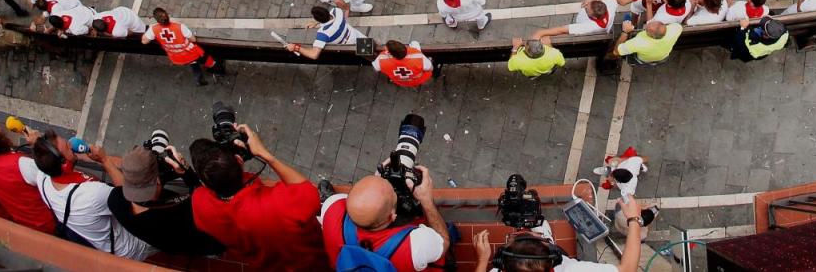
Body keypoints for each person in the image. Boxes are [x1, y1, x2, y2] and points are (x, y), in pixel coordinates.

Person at [190, 124, 326, 269]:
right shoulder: (279, 203)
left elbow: (201, 193)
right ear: (239, 160)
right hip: (312, 261)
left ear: (205, 184)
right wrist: (265, 154)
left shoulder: (200, 205)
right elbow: (310, 194)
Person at [30, 137, 152, 259]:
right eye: (68, 146)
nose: (71, 143)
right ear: (63, 162)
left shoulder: (43, 178)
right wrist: (104, 160)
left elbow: (41, 151)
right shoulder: (92, 194)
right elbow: (131, 196)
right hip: (131, 245)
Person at [471, 195, 649, 272]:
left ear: (502, 266)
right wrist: (634, 219)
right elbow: (627, 268)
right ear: (553, 259)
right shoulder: (571, 269)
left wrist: (482, 259)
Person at [321, 169, 452, 272]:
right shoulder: (416, 244)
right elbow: (444, 242)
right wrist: (426, 200)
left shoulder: (331, 207)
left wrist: (376, 184)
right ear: (392, 216)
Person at [109, 145, 226, 256]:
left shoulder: (115, 201)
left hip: (180, 246)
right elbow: (205, 200)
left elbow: (122, 189)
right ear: (157, 182)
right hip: (213, 238)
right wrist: (187, 172)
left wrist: (105, 160)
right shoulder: (176, 215)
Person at [142, 7, 226, 86]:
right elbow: (193, 39)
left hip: (176, 57)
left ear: (157, 20)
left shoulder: (154, 29)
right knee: (209, 61)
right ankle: (217, 70)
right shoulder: (179, 27)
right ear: (167, 14)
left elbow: (144, 41)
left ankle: (199, 78)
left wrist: (153, 27)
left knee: (192, 61)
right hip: (191, 53)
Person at [611, 19, 681, 65]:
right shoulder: (675, 29)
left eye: (646, 29)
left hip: (643, 60)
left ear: (650, 35)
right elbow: (677, 25)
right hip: (663, 57)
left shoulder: (638, 42)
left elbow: (616, 52)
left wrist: (625, 32)